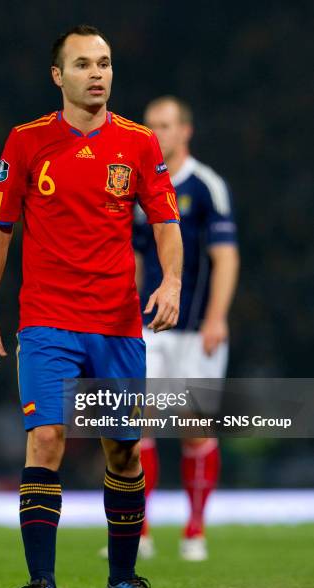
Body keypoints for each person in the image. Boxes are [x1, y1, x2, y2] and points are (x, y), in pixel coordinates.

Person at [0, 26, 183, 588]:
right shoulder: (26, 141)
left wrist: (172, 282)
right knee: (46, 438)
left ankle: (121, 581)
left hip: (116, 325)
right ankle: (41, 584)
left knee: (122, 450)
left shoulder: (139, 143)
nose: (98, 74)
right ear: (57, 76)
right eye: (84, 64)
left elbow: (167, 223)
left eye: (106, 63)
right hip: (47, 322)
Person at [133, 96, 240, 562]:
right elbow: (134, 258)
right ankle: (138, 530)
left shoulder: (207, 186)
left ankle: (194, 528)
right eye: (150, 125)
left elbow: (226, 257)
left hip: (197, 330)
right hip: (147, 329)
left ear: (185, 131)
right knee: (136, 428)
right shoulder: (137, 186)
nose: (157, 133)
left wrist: (217, 316)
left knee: (195, 430)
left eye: (166, 125)